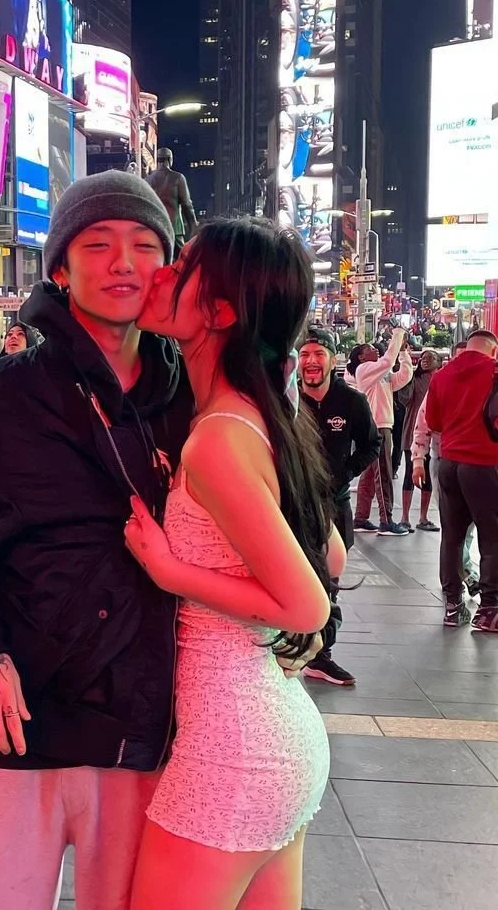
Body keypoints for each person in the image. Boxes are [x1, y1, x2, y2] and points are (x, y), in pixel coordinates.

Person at [0, 171, 320, 910]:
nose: (123, 263)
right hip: (27, 734)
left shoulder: (193, 400)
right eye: (98, 243)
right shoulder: (5, 395)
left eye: (146, 245)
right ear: (58, 267)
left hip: (147, 739)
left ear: (172, 271)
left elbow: (303, 550)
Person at [124, 218, 344, 909]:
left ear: (218, 311)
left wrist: (170, 570)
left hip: (234, 747)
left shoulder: (219, 438)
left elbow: (308, 604)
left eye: (181, 263)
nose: (161, 270)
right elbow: (331, 549)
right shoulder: (258, 415)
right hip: (271, 731)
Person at [300, 329, 381, 686]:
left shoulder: (351, 402)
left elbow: (371, 445)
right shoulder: (284, 399)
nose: (311, 361)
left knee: (329, 581)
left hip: (334, 507)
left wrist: (343, 474)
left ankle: (321, 655)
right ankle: (287, 648)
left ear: (333, 360)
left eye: (318, 354)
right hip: (290, 506)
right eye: (305, 355)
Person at [425, 329, 498, 630]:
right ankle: (490, 609)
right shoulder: (494, 371)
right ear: (493, 351)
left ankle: (453, 606)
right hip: (485, 463)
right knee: (492, 537)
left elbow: (434, 422)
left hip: (449, 464)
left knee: (452, 537)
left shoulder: (441, 375)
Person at [411, 343, 479, 600]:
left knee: (470, 525)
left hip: (475, 464)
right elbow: (423, 422)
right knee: (454, 525)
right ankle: (464, 576)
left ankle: (462, 575)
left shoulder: (485, 385)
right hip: (444, 461)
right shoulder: (442, 384)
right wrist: (418, 460)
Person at [346, 329, 413, 536]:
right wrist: (398, 334)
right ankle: (387, 520)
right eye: (369, 349)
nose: (375, 350)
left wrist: (403, 353)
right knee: (383, 473)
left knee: (369, 474)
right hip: (377, 426)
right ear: (360, 357)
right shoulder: (365, 369)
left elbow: (403, 377)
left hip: (381, 424)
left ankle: (361, 517)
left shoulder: (379, 374)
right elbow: (386, 361)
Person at [399, 349, 440, 532]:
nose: (425, 360)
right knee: (410, 472)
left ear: (438, 362)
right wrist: (407, 378)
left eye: (430, 358)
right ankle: (405, 516)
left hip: (436, 435)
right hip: (413, 431)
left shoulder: (442, 380)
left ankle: (423, 517)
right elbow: (404, 399)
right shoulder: (415, 380)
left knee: (429, 475)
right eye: (422, 358)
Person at [146, 148, 198, 257]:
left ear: (157, 160)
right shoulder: (178, 178)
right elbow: (187, 205)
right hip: (174, 227)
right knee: (184, 259)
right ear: (170, 159)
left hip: (155, 226)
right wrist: (193, 225)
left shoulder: (148, 180)